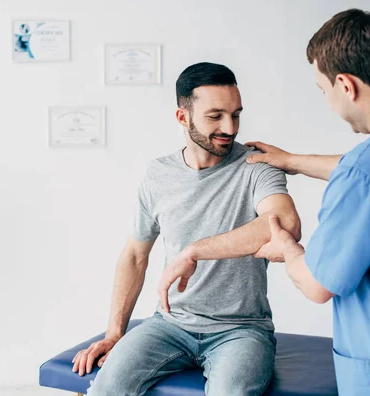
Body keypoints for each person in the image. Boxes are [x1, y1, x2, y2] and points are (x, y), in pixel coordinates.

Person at [161, 9, 370, 396]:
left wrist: (288, 250)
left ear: (346, 85)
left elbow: (317, 284)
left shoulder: (367, 172)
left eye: (323, 91)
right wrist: (293, 161)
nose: (326, 102)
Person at [72, 62, 301, 395]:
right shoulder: (157, 174)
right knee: (105, 389)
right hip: (170, 325)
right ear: (183, 117)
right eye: (215, 116)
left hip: (241, 330)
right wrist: (113, 333)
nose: (229, 126)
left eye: (236, 115)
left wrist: (195, 250)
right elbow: (136, 254)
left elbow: (284, 224)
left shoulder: (256, 165)